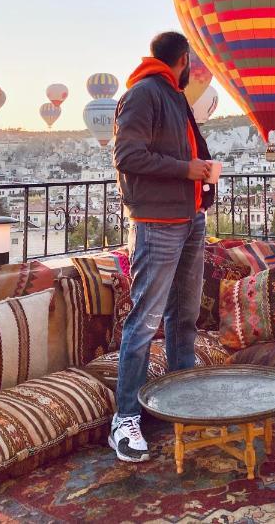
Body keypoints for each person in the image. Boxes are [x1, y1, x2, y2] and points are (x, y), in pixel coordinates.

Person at [109, 31, 214, 462]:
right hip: (157, 222)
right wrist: (188, 169)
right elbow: (127, 157)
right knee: (145, 318)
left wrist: (200, 174)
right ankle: (125, 418)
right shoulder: (143, 94)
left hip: (189, 218)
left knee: (184, 314)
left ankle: (182, 398)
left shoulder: (174, 96)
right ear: (184, 59)